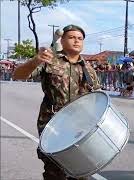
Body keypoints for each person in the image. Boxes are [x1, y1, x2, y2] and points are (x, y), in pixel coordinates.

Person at [13, 24, 100, 180]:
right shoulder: (49, 60)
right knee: (54, 171)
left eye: (80, 38)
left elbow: (97, 98)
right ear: (63, 40)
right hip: (53, 124)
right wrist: (35, 60)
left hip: (79, 127)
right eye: (72, 37)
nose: (76, 41)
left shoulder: (89, 68)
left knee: (80, 171)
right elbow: (18, 75)